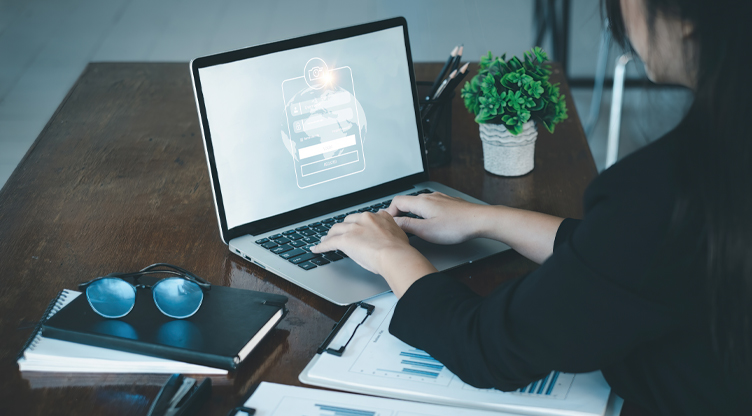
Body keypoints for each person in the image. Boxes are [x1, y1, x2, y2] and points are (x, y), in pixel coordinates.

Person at [312, 0, 752, 413]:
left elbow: (486, 347)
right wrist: (486, 218)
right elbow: (624, 256)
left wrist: (390, 252)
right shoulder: (716, 165)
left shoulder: (669, 187)